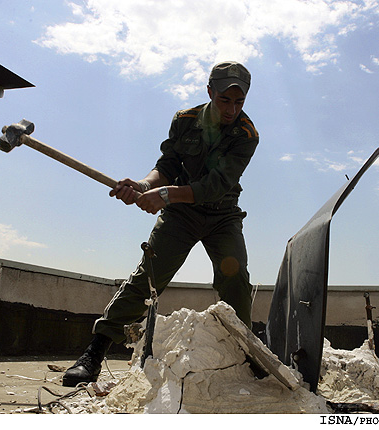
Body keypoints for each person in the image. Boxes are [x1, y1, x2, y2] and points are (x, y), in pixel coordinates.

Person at [63, 61, 259, 387]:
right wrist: (143, 185)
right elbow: (167, 165)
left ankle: (246, 356)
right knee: (147, 278)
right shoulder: (185, 120)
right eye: (225, 100)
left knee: (235, 278)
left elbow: (216, 185)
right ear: (210, 92)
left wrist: (165, 195)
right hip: (181, 216)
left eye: (239, 102)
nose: (232, 109)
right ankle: (93, 354)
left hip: (222, 216)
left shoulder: (246, 134)